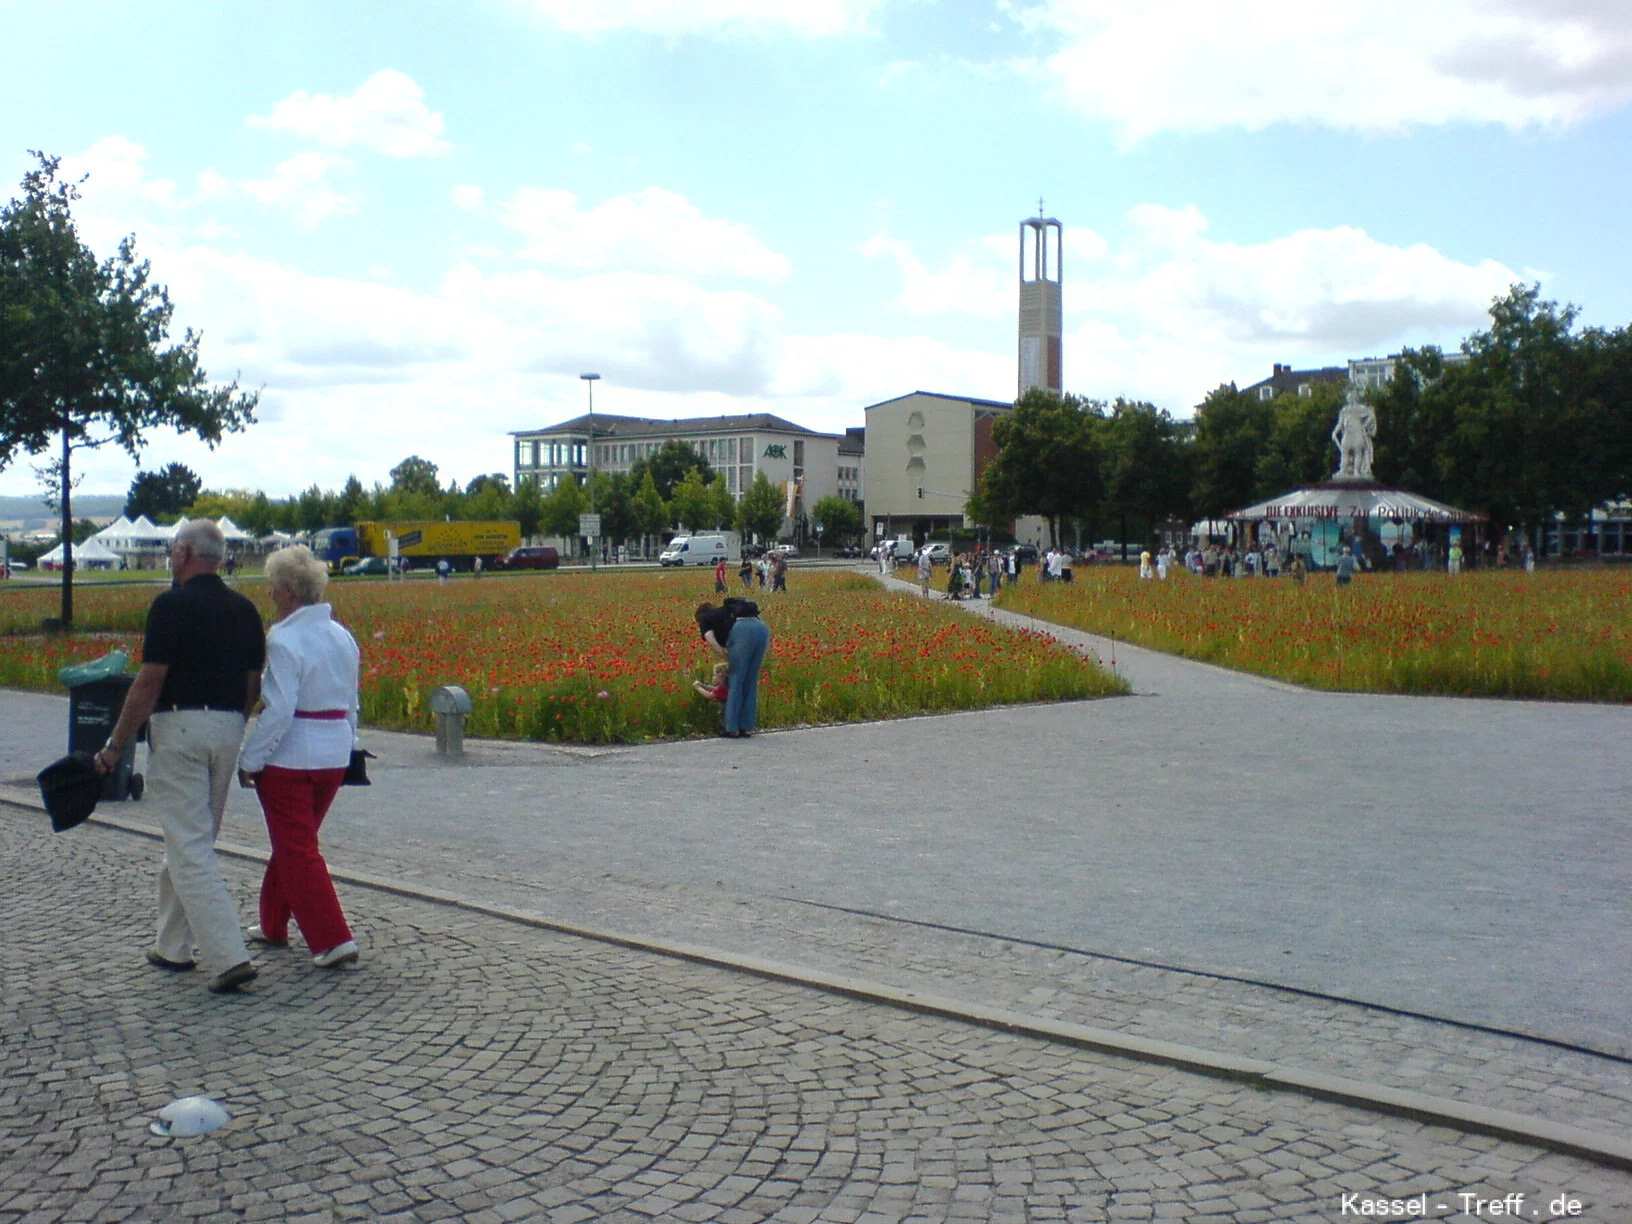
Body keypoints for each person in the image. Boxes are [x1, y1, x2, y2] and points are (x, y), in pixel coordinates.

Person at [92, 520, 265, 995]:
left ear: (186, 553)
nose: (170, 556)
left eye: (172, 550)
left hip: (179, 728)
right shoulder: (247, 610)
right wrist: (235, 724)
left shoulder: (170, 606)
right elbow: (254, 683)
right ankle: (172, 946)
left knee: (189, 846)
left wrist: (115, 746)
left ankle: (229, 956)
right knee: (193, 838)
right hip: (229, 726)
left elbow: (149, 681)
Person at [235, 546, 362, 970]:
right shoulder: (342, 636)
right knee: (294, 845)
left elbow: (280, 708)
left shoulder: (284, 639)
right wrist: (348, 743)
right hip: (334, 753)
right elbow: (351, 701)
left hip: (291, 759)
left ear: (288, 591)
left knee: (298, 850)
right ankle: (272, 923)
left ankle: (331, 937)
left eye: (273, 588)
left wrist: (251, 758)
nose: (270, 596)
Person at [696, 599, 770, 737]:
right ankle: (747, 727)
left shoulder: (705, 619)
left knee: (735, 682)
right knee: (750, 681)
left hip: (742, 631)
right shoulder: (725, 611)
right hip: (761, 628)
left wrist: (725, 656)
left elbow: (711, 641)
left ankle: (732, 728)